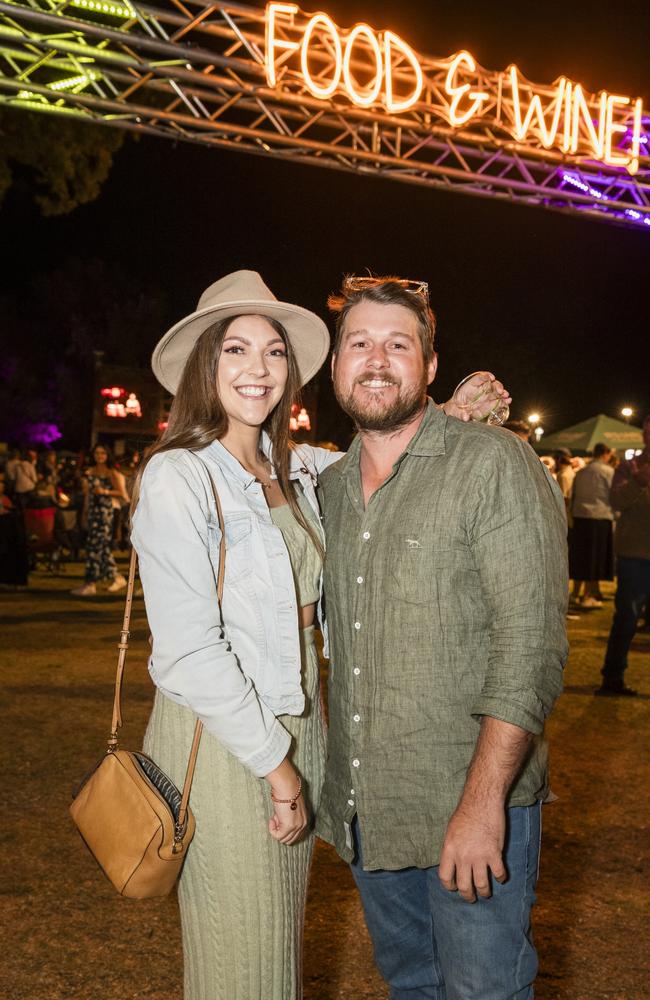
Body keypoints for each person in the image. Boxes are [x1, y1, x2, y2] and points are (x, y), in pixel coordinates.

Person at [128, 269, 509, 1000]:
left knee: (276, 956)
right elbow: (187, 652)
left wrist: (455, 409)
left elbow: (387, 457)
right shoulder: (180, 476)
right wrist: (277, 769)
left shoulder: (293, 468)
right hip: (228, 741)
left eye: (273, 353)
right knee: (241, 965)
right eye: (234, 351)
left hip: (298, 726)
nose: (258, 369)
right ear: (204, 367)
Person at [315, 275, 568, 1000]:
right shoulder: (328, 489)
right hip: (373, 813)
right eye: (358, 343)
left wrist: (483, 803)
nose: (376, 358)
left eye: (399, 344)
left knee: (483, 992)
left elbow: (530, 645)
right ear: (336, 366)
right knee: (412, 987)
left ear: (429, 366)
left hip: (469, 808)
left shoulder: (491, 462)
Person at [597, 414, 650, 696]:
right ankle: (612, 677)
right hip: (635, 555)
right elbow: (615, 501)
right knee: (626, 619)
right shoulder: (629, 467)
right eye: (648, 431)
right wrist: (638, 482)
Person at [71, 444, 129, 596]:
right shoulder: (90, 472)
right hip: (93, 512)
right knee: (99, 547)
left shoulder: (112, 473)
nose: (99, 456)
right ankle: (116, 577)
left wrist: (104, 491)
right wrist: (84, 512)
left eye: (103, 453)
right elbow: (88, 495)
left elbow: (122, 494)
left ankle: (91, 583)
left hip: (105, 513)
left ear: (107, 455)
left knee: (95, 547)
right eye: (97, 453)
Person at [569, 443, 615, 608]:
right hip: (600, 517)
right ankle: (588, 595)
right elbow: (614, 496)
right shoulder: (608, 472)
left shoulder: (581, 472)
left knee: (581, 557)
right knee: (594, 559)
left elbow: (573, 495)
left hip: (581, 517)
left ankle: (575, 593)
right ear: (605, 453)